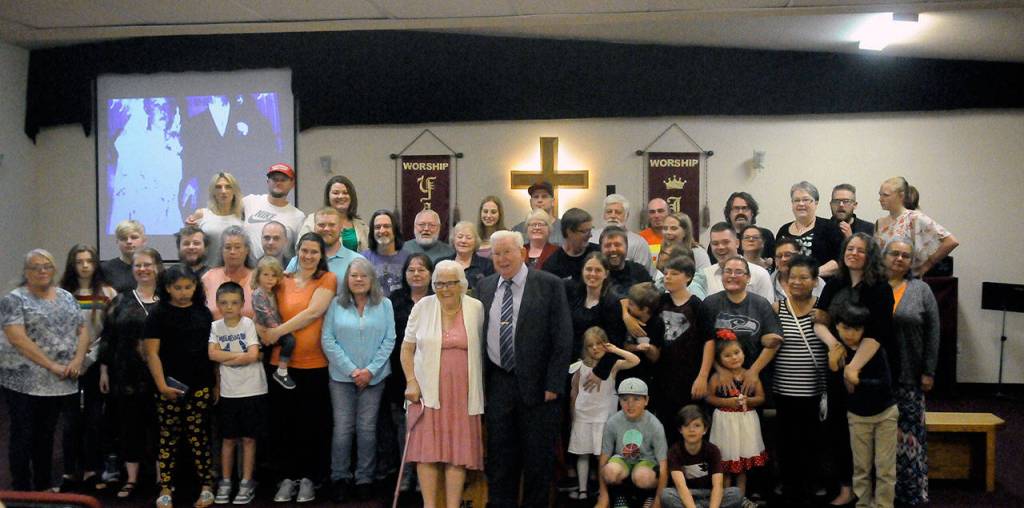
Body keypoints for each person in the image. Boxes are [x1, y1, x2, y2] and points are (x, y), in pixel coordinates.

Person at [478, 230, 572, 507]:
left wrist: (554, 384)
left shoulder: (549, 284)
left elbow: (563, 337)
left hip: (539, 388)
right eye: (497, 253)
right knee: (500, 460)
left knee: (537, 462)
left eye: (508, 252)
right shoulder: (485, 286)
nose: (502, 258)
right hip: (498, 384)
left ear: (522, 252)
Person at [813, 232, 895, 507]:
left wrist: (854, 367)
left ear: (870, 256)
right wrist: (835, 346)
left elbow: (879, 332)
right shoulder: (834, 283)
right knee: (837, 429)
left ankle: (876, 496)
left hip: (869, 368)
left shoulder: (880, 287)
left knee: (868, 436)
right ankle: (847, 488)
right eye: (850, 248)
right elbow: (819, 321)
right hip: (836, 364)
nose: (854, 253)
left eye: (860, 250)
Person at [1, 249, 90, 492]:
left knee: (47, 435)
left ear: (54, 270)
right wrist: (52, 365)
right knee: (23, 435)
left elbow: (83, 330)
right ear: (26, 272)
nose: (42, 271)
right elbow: (17, 338)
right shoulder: (14, 299)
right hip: (24, 381)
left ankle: (43, 487)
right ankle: (20, 489)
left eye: (47, 266)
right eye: (35, 267)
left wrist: (78, 360)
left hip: (59, 381)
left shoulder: (66, 296)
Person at [400, 260, 486, 508]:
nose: (444, 288)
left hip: (463, 393)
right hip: (426, 391)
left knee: (456, 453)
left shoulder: (476, 308)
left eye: (450, 283)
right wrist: (411, 382)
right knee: (427, 451)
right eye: (439, 283)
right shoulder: (422, 307)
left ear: (462, 284)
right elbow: (406, 349)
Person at [261, 233, 337, 503]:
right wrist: (264, 332)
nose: (308, 256)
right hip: (280, 366)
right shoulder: (282, 280)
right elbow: (261, 306)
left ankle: (308, 479)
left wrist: (277, 332)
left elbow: (313, 312)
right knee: (283, 425)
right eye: (304, 251)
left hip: (314, 364)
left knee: (311, 425)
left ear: (321, 255)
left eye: (314, 252)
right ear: (297, 251)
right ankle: (286, 478)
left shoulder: (327, 279)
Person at [322, 258, 396, 502]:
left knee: (367, 430)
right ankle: (340, 477)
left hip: (374, 379)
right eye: (354, 275)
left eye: (364, 275)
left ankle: (364, 478)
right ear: (347, 279)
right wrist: (352, 370)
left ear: (372, 279)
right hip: (342, 378)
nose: (359, 279)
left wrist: (370, 371)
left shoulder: (384, 304)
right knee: (343, 429)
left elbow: (389, 340)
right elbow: (328, 340)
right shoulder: (336, 304)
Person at [143, 265, 215, 508]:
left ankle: (206, 486)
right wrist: (162, 385)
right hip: (169, 385)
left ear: (196, 287)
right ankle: (165, 487)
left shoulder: (203, 313)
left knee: (199, 437)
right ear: (167, 288)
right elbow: (152, 353)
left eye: (188, 287)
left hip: (201, 384)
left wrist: (214, 384)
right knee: (168, 437)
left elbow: (210, 352)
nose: (184, 292)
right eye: (178, 288)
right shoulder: (158, 313)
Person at [98, 247, 163, 500]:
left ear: (157, 267)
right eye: (138, 265)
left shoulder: (169, 298)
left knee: (161, 427)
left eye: (148, 264)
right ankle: (132, 478)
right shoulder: (121, 300)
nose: (143, 269)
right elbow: (108, 337)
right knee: (129, 426)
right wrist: (104, 369)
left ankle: (161, 477)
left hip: (160, 374)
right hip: (126, 375)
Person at [56, 244, 118, 492]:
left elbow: (110, 334)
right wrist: (72, 360)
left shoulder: (108, 292)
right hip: (67, 365)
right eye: (79, 261)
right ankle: (70, 471)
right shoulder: (61, 293)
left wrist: (90, 361)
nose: (84, 266)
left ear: (95, 264)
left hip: (95, 365)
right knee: (70, 422)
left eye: (89, 261)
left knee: (94, 420)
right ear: (72, 264)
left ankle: (93, 469)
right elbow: (57, 332)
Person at [884, 238, 940, 506]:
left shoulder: (921, 290)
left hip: (910, 375)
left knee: (908, 439)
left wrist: (928, 371)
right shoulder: (874, 287)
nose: (899, 259)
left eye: (905, 255)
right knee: (879, 438)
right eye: (894, 253)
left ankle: (909, 493)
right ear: (883, 256)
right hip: (878, 378)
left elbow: (933, 333)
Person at [771, 255, 829, 506]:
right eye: (792, 277)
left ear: (815, 281)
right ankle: (787, 481)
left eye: (804, 277)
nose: (797, 282)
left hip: (814, 389)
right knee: (785, 440)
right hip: (782, 387)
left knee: (813, 439)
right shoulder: (777, 308)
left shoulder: (822, 311)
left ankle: (812, 482)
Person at [832, 303, 898, 508]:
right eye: (846, 328)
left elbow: (885, 384)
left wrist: (858, 381)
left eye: (857, 329)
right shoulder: (838, 352)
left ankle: (884, 505)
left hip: (884, 414)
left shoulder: (873, 350)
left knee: (885, 468)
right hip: (858, 415)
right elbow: (839, 388)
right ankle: (862, 504)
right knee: (861, 468)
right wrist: (835, 367)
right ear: (837, 327)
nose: (851, 334)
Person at [208, 282, 266, 505]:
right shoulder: (215, 327)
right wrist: (237, 356)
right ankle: (225, 481)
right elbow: (211, 355)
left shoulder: (248, 324)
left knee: (249, 439)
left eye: (234, 303)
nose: (229, 307)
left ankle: (246, 481)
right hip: (229, 392)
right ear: (217, 304)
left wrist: (226, 356)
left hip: (252, 389)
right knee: (228, 439)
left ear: (243, 304)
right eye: (223, 303)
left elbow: (252, 355)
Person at [381, 253, 434, 490]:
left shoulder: (437, 300)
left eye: (421, 269)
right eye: (411, 270)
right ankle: (406, 472)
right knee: (403, 426)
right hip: (400, 372)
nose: (416, 274)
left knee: (428, 424)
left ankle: (425, 474)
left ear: (431, 274)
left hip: (431, 371)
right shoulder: (395, 299)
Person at [568, 327, 639, 501]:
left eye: (599, 344)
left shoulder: (612, 366)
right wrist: (573, 415)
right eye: (590, 345)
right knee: (583, 454)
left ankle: (602, 490)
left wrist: (614, 350)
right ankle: (583, 489)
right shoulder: (579, 366)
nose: (595, 348)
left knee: (602, 456)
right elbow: (574, 392)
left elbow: (635, 360)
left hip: (603, 417)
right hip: (583, 416)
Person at [699, 255, 783, 397]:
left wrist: (753, 372)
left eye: (738, 272)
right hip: (719, 380)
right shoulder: (710, 304)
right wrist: (721, 370)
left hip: (753, 380)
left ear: (748, 277)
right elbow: (704, 343)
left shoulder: (761, 304)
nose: (732, 276)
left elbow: (774, 343)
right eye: (728, 271)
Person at [655, 255, 713, 427]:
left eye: (673, 273)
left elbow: (709, 342)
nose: (667, 277)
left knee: (690, 423)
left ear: (688, 277)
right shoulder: (660, 302)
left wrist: (702, 377)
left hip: (690, 376)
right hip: (664, 376)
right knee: (667, 425)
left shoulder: (698, 305)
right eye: (665, 273)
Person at [706, 338, 766, 497]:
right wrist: (726, 401)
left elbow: (761, 398)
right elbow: (708, 397)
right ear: (719, 359)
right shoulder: (716, 378)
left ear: (743, 353)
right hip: (725, 424)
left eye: (737, 353)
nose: (734, 357)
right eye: (727, 355)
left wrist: (748, 400)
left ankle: (739, 499)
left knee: (742, 468)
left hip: (745, 423)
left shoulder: (751, 375)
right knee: (725, 466)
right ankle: (724, 499)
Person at [598, 378, 669, 508]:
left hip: (646, 463)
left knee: (643, 477)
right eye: (625, 400)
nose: (630, 405)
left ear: (646, 400)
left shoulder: (655, 425)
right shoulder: (613, 422)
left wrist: (659, 500)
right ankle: (620, 496)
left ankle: (648, 496)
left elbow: (664, 464)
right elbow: (604, 457)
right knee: (609, 471)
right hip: (623, 461)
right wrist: (603, 495)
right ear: (619, 401)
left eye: (636, 399)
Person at [661, 405, 749, 508]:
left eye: (697, 425)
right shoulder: (674, 451)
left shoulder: (713, 450)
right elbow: (681, 487)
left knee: (735, 493)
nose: (691, 430)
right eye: (687, 425)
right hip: (687, 495)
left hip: (709, 495)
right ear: (680, 429)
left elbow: (717, 485)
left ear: (705, 429)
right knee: (667, 495)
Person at [874, 176, 959, 277]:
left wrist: (927, 265)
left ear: (901, 196)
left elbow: (951, 241)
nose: (880, 199)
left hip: (906, 281)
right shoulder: (880, 222)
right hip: (882, 281)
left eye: (886, 195)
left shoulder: (915, 218)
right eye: (880, 195)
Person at [775, 181, 844, 278]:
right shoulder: (783, 230)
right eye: (796, 200)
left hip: (821, 286)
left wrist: (810, 275)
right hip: (787, 286)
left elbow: (840, 260)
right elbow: (777, 261)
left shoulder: (830, 228)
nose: (801, 204)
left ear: (816, 203)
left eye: (806, 200)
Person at [251, 256, 298, 389]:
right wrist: (278, 330)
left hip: (273, 330)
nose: (270, 278)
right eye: (265, 275)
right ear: (258, 275)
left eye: (273, 276)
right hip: (265, 331)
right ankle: (281, 371)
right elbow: (265, 313)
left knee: (267, 359)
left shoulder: (272, 291)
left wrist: (284, 274)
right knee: (289, 341)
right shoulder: (258, 294)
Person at [700, 223, 774, 303]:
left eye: (725, 242)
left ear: (737, 243)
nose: (720, 247)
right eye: (715, 243)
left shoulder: (760, 274)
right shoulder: (705, 275)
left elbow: (767, 310)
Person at [288, 207, 366, 279]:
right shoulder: (297, 261)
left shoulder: (357, 261)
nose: (326, 229)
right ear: (314, 228)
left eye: (332, 225)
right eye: (321, 225)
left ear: (341, 228)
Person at [297, 175, 369, 252]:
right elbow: (300, 249)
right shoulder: (313, 220)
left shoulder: (361, 225)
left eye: (345, 193)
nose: (341, 196)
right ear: (328, 196)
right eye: (336, 193)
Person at [590, 194, 656, 276]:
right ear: (604, 215)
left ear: (626, 216)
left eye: (618, 212)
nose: (613, 216)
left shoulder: (639, 243)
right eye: (609, 212)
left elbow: (644, 275)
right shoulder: (591, 238)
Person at [201, 226, 255, 320]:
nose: (232, 252)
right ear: (222, 250)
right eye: (228, 247)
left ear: (247, 250)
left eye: (237, 247)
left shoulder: (257, 278)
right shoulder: (208, 278)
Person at [193, 172, 244, 266]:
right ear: (213, 192)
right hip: (207, 273)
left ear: (234, 191)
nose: (223, 191)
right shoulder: (202, 215)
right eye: (218, 187)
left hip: (236, 274)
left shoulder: (243, 215)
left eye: (228, 187)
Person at [542, 207, 600, 284]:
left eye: (590, 230)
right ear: (569, 232)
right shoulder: (552, 264)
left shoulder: (598, 253)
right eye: (585, 231)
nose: (590, 235)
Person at [711, 192, 774, 260]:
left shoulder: (766, 235)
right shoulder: (718, 239)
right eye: (736, 208)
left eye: (744, 208)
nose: (740, 212)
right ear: (729, 213)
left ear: (752, 213)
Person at [362, 209, 408, 297]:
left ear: (395, 230)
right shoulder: (363, 259)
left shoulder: (408, 259)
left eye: (386, 226)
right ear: (372, 232)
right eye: (377, 227)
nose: (382, 231)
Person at [443, 220, 494, 292]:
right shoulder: (443, 263)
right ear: (453, 240)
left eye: (468, 237)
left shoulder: (487, 265)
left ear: (476, 241)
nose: (463, 241)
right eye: (460, 237)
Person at [771, 238, 825, 302]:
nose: (783, 259)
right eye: (779, 256)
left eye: (788, 255)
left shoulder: (816, 281)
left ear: (799, 255)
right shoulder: (769, 282)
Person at [511, 180, 564, 245]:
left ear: (553, 202)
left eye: (544, 196)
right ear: (530, 202)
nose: (539, 200)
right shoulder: (518, 230)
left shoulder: (564, 228)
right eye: (536, 197)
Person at [102, 219, 147, 292]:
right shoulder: (105, 269)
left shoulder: (153, 268)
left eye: (134, 237)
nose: (129, 241)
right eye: (123, 238)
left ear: (144, 241)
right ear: (117, 241)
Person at [639, 198, 669, 262]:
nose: (656, 215)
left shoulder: (678, 236)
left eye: (660, 211)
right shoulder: (640, 239)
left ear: (668, 213)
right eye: (652, 212)